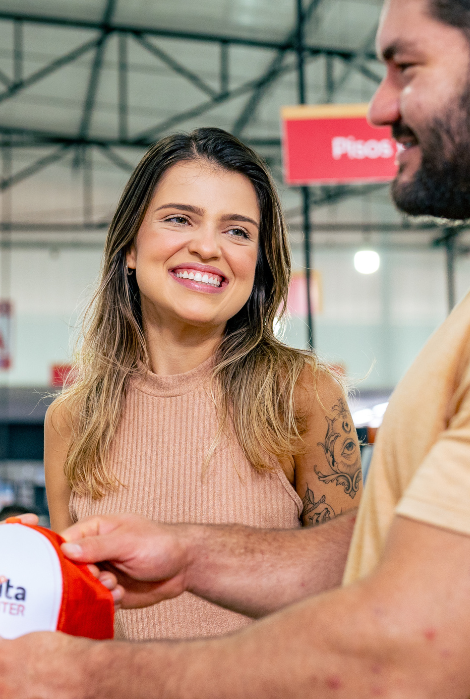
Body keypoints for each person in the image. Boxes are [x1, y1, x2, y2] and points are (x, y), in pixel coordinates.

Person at [0, 0, 470, 696]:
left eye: (405, 67)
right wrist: (189, 555)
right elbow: (367, 559)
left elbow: (392, 650)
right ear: (130, 252)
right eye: (179, 219)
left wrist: (95, 677)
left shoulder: (325, 385)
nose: (378, 108)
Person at [44, 129, 361, 640]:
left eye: (237, 231)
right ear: (129, 246)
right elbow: (81, 615)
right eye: (178, 219)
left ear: (257, 264)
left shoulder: (302, 394)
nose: (208, 247)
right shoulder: (72, 420)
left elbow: (352, 591)